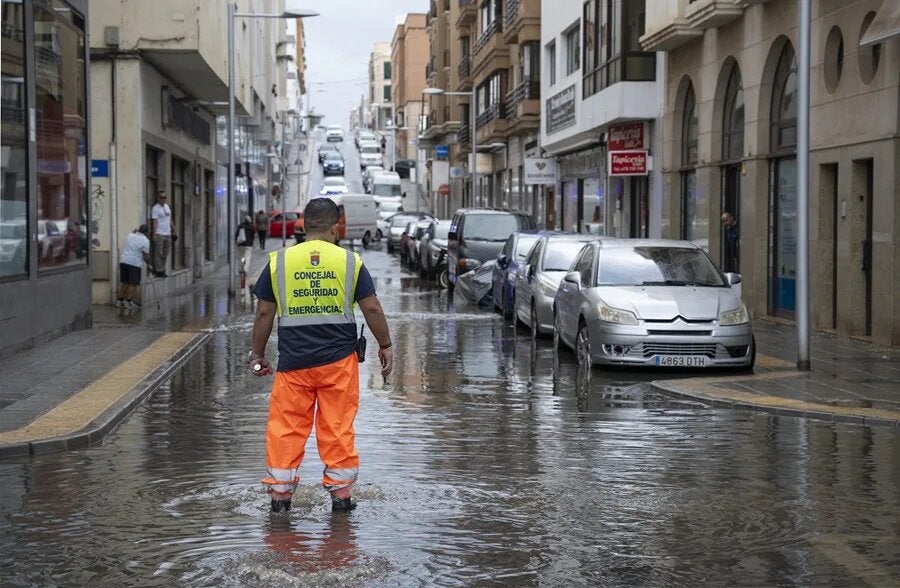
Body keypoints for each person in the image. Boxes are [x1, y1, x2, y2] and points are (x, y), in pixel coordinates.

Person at [249, 198, 393, 514]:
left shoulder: (279, 263)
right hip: (338, 363)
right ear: (334, 227)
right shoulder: (350, 262)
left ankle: (280, 499)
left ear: (302, 226)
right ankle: (341, 498)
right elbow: (371, 307)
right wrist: (385, 345)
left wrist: (257, 354)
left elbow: (263, 314)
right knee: (337, 428)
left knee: (286, 428)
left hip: (293, 364)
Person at [116, 224, 151, 309]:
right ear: (146, 232)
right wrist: (149, 264)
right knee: (133, 283)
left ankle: (119, 301)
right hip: (134, 263)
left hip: (124, 261)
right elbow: (145, 255)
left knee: (125, 282)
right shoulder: (146, 241)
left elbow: (133, 234)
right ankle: (128, 301)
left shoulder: (130, 235)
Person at [150, 190, 175, 277]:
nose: (163, 199)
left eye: (165, 197)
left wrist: (173, 229)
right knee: (158, 253)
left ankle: (162, 269)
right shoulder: (155, 208)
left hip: (168, 233)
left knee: (165, 253)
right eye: (161, 197)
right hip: (159, 233)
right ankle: (158, 270)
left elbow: (170, 218)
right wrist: (154, 234)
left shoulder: (167, 206)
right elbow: (154, 221)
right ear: (158, 198)